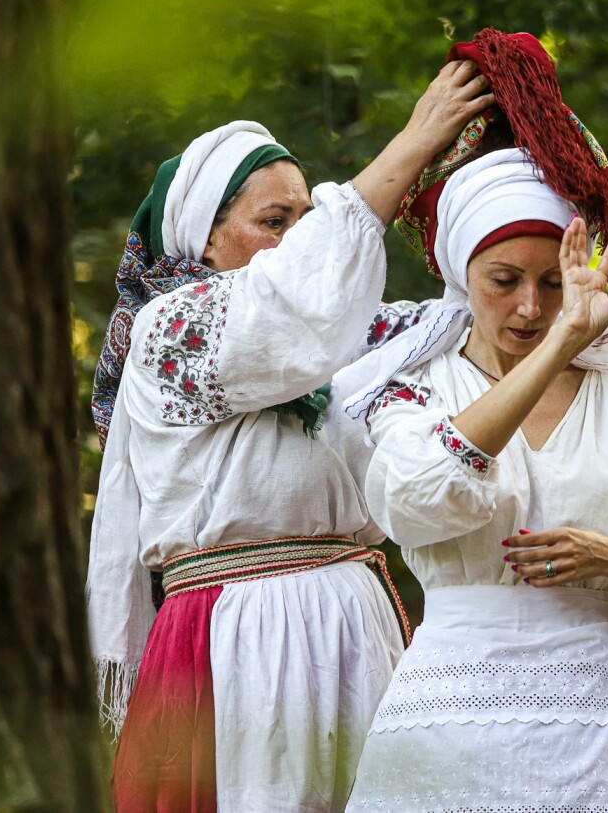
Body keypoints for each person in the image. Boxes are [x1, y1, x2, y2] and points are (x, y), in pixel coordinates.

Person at [331, 29, 608, 812]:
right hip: (448, 733)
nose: (529, 306)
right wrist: (559, 346)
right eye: (504, 279)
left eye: (554, 283)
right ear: (460, 272)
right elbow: (413, 502)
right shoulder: (414, 385)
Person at [85, 60, 494, 812]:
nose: (302, 242)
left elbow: (476, 324)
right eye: (276, 222)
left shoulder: (352, 341)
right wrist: (410, 145)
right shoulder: (167, 333)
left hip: (356, 628)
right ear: (202, 241)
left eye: (310, 221)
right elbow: (289, 310)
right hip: (233, 644)